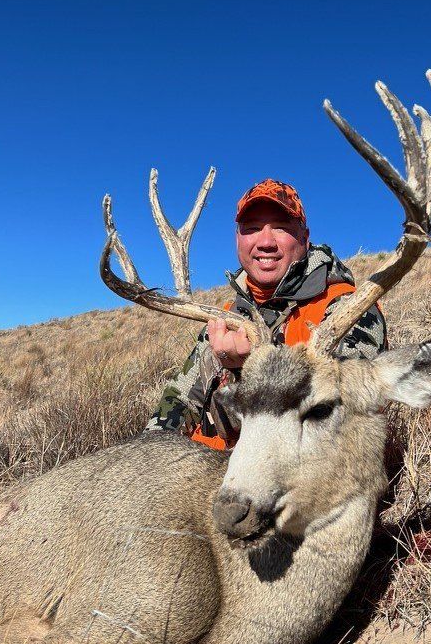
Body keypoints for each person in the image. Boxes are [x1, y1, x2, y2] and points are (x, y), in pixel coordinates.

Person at [145, 178, 387, 450]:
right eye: (252, 229)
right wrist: (149, 459)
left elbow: (344, 418)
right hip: (203, 472)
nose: (265, 242)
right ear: (238, 240)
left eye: (281, 228)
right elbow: (179, 400)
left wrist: (245, 369)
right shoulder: (227, 318)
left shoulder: (346, 309)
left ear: (305, 239)